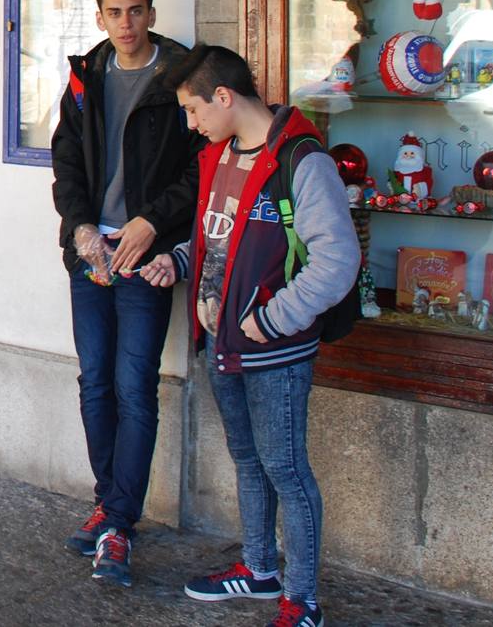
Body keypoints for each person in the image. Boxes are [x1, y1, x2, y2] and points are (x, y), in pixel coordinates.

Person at [139, 44, 360, 627]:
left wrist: (271, 319)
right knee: (247, 459)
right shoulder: (220, 156)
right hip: (222, 345)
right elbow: (217, 241)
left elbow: (336, 260)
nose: (190, 124)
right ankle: (260, 569)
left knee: (285, 468)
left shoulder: (301, 160)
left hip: (276, 349)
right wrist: (179, 262)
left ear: (223, 97)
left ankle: (302, 596)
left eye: (192, 111)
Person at [50, 0, 201, 586]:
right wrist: (81, 227)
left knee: (134, 384)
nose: (127, 23)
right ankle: (110, 506)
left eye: (136, 11)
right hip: (92, 255)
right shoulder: (85, 77)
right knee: (94, 383)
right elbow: (65, 164)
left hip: (146, 254)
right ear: (101, 17)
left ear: (152, 13)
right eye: (115, 13)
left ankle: (117, 521)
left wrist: (149, 224)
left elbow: (201, 170)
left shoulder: (182, 76)